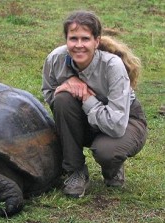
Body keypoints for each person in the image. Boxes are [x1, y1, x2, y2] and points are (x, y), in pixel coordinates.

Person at [42, 10, 147, 198]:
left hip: (125, 121)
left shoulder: (112, 66)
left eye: (85, 39)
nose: (79, 45)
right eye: (73, 39)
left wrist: (87, 99)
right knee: (62, 99)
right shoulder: (56, 59)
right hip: (88, 118)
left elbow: (116, 126)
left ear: (96, 41)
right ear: (66, 40)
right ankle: (76, 171)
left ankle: (112, 167)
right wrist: (68, 85)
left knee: (106, 151)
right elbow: (49, 93)